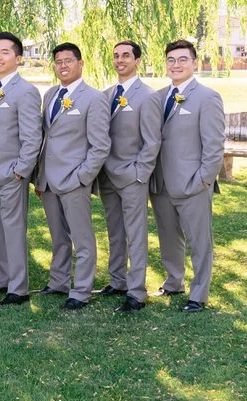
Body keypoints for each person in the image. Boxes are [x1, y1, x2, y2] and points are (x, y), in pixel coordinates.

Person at [149, 39, 225, 312]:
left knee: (199, 241)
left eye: (182, 59)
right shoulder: (157, 97)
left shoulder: (207, 98)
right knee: (169, 237)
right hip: (161, 183)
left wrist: (204, 179)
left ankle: (199, 294)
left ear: (194, 63)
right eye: (171, 60)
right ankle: (174, 282)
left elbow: (214, 145)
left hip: (193, 182)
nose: (176, 64)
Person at [34, 42, 110, 309]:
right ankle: (58, 282)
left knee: (83, 239)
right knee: (58, 236)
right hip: (48, 181)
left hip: (74, 180)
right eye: (58, 62)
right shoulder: (51, 95)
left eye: (68, 61)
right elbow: (47, 138)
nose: (62, 66)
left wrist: (82, 177)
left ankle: (81, 290)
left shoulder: (94, 98)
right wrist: (39, 177)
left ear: (80, 64)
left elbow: (100, 145)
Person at [96, 40, 161, 313]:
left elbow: (152, 141)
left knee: (136, 234)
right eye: (115, 56)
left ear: (137, 61)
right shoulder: (106, 94)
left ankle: (137, 291)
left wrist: (139, 174)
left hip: (132, 176)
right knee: (115, 231)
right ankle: (118, 280)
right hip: (107, 175)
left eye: (125, 55)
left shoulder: (148, 96)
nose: (120, 60)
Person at [0, 31, 42, 305]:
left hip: (12, 175)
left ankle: (18, 288)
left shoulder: (26, 91)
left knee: (14, 230)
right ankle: (3, 279)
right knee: (0, 229)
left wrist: (21, 170)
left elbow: (32, 136)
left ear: (18, 58)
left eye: (5, 52)